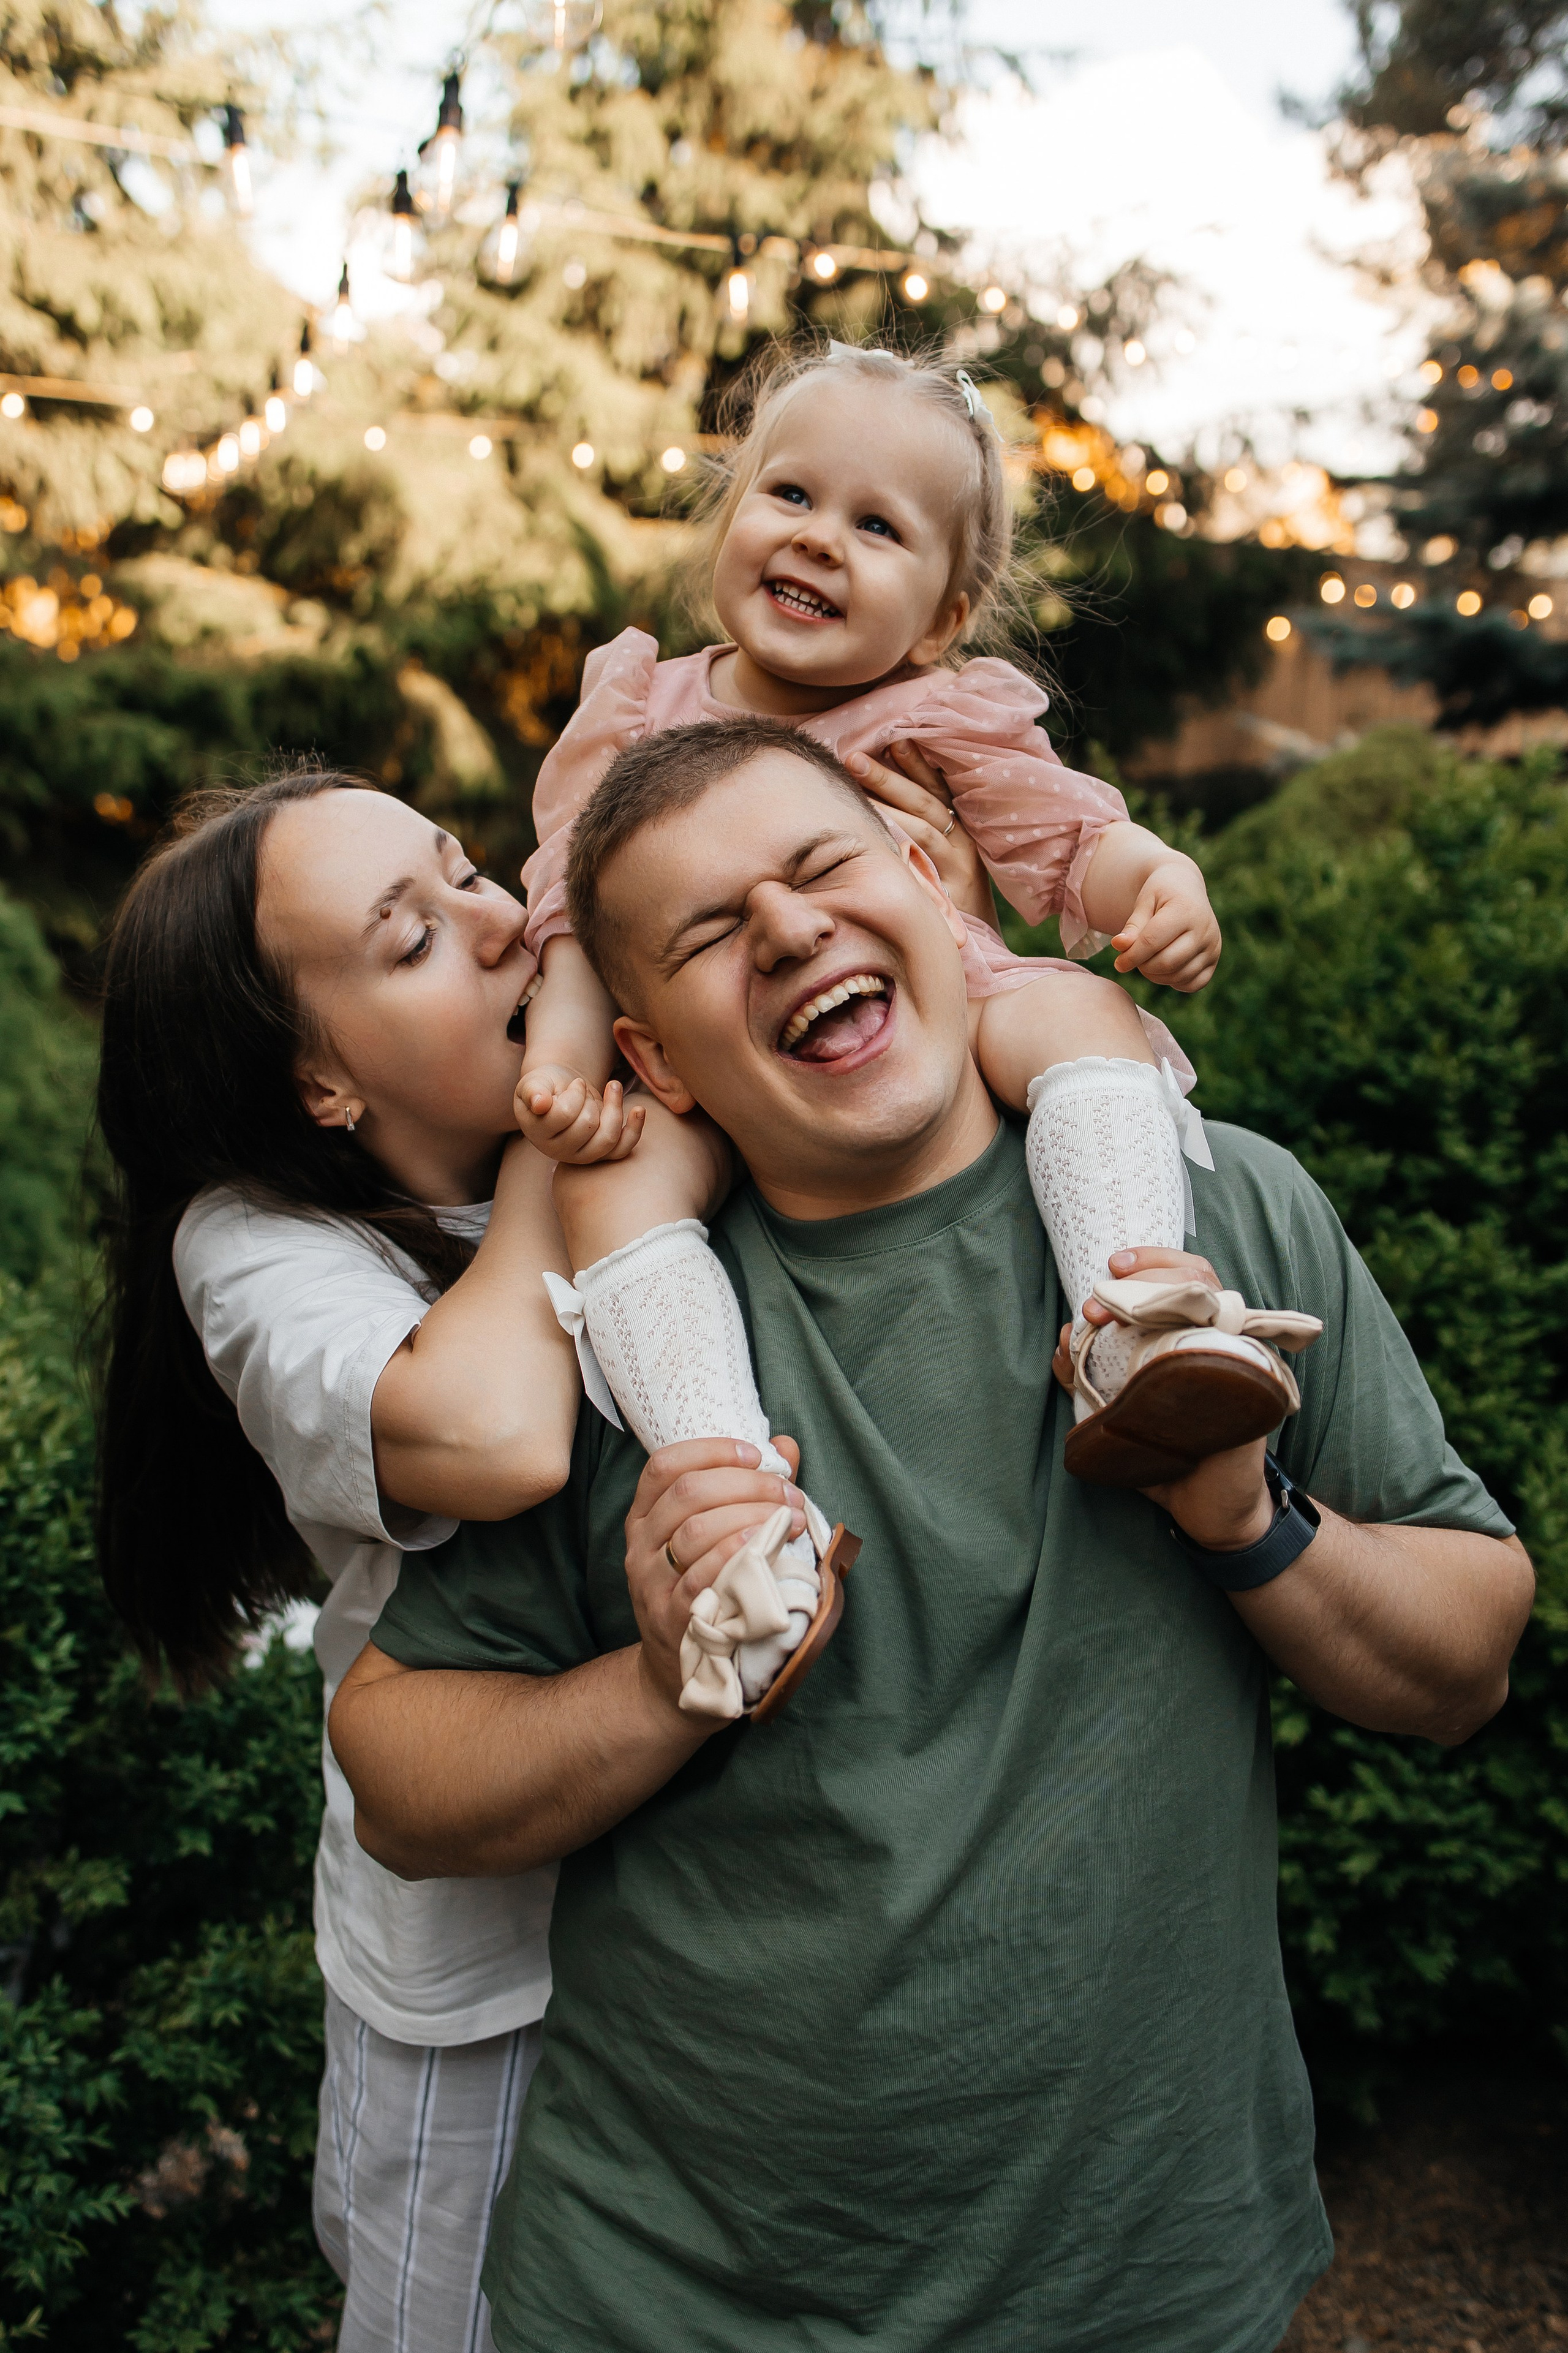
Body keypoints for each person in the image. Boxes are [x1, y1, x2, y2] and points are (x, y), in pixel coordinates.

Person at [329, 720, 1534, 2353]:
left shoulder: (1210, 1209)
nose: (788, 927)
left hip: (1143, 2280)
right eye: (710, 931)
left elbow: (1469, 1654)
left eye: (822, 868)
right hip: (671, 2297)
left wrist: (1245, 1516)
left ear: (925, 883)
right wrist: (666, 1682)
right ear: (657, 1060)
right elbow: (396, 1767)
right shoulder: (622, 1345)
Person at [507, 346, 1317, 1707]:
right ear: (730, 517)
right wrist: (560, 1061)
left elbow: (1069, 843)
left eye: (874, 526)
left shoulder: (939, 717)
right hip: (713, 1068)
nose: (818, 538)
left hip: (949, 1015)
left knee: (1080, 1009)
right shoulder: (639, 709)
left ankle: (1130, 1323)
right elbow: (570, 914)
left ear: (939, 621)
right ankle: (735, 1528)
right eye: (788, 495)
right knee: (611, 1188)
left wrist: (1156, 887)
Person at [95, 771, 650, 2352]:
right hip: (475, 1985)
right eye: (411, 937)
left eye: (471, 870)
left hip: (690, 1916)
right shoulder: (255, 1244)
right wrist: (561, 1098)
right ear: (320, 1081)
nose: (498, 921)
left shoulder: (623, 1104)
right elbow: (494, 1434)